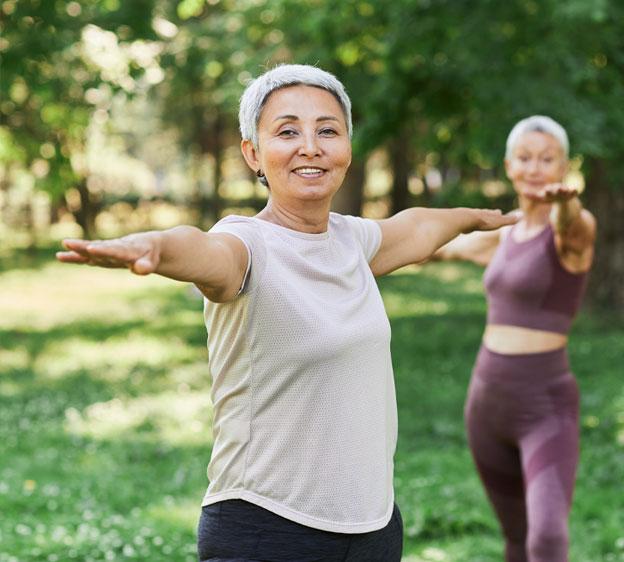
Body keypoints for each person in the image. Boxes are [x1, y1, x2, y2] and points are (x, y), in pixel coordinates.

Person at [56, 64, 516, 562]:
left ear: (347, 149)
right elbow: (202, 251)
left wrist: (474, 218)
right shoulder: (246, 246)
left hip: (374, 527)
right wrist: (156, 247)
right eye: (288, 131)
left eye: (328, 131)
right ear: (253, 153)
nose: (310, 146)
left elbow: (419, 226)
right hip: (268, 528)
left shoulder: (350, 240)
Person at [435, 115, 596, 562]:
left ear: (564, 167)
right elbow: (437, 247)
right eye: (525, 158)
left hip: (544, 406)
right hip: (486, 404)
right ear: (509, 165)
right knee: (515, 540)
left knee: (547, 539)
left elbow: (572, 225)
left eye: (548, 159)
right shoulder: (501, 236)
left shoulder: (571, 232)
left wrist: (567, 205)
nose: (535, 167)